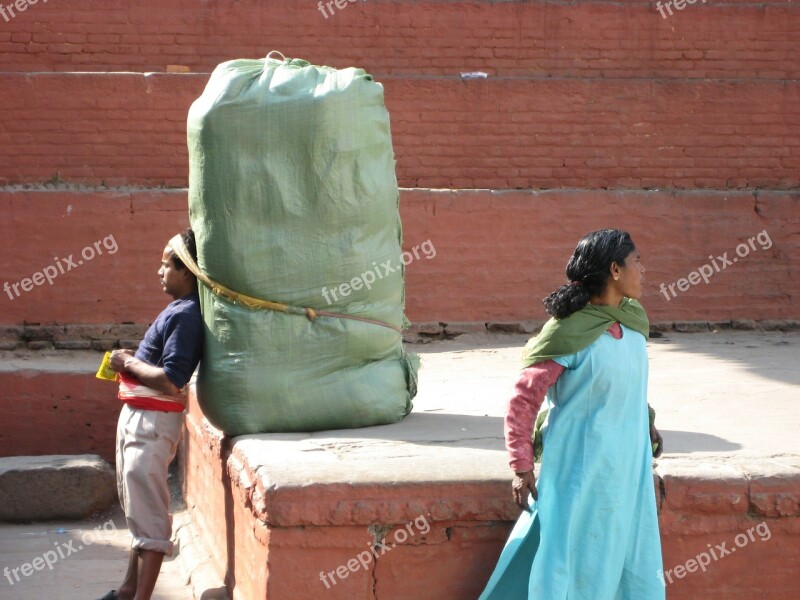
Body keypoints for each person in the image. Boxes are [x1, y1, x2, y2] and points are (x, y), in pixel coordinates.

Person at [479, 228, 665, 600]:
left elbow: (623, 384)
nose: (643, 269)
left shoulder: (631, 322)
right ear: (615, 270)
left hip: (628, 468)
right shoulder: (569, 331)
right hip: (580, 471)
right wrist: (521, 465)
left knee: (628, 553)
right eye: (636, 262)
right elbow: (524, 400)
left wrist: (647, 422)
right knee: (574, 559)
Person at [100, 229, 203, 600]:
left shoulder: (187, 316)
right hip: (139, 416)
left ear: (187, 271)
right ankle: (129, 588)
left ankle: (141, 596)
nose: (159, 271)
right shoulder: (178, 311)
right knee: (137, 505)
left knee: (147, 508)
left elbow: (171, 379)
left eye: (166, 264)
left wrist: (126, 361)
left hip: (153, 421)